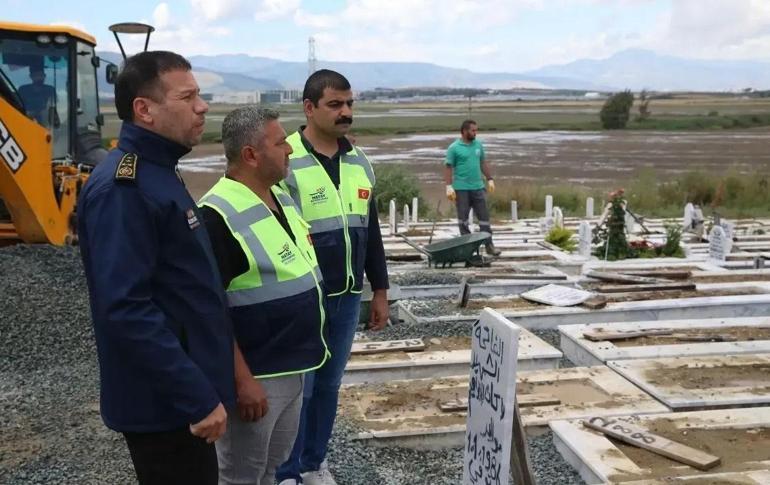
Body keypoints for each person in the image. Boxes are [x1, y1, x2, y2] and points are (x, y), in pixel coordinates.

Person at [77, 51, 234, 485]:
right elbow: (126, 309)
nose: (202, 107)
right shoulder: (123, 188)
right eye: (188, 97)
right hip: (166, 405)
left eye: (200, 95)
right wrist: (196, 397)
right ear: (144, 110)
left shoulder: (159, 170)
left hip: (181, 396)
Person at [199, 106, 329, 485]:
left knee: (271, 468)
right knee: (242, 474)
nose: (290, 149)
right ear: (251, 155)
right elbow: (209, 313)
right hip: (258, 376)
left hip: (292, 367)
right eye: (280, 142)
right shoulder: (216, 216)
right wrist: (242, 381)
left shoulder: (280, 198)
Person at [276, 69, 389, 485]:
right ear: (309, 107)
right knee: (297, 392)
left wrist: (380, 288)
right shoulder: (284, 156)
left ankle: (313, 462)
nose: (346, 113)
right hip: (301, 299)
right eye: (335, 104)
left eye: (350, 104)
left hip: (345, 299)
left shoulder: (359, 161)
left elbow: (369, 229)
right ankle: (286, 472)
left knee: (327, 386)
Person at [444, 119, 501, 256]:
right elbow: (448, 167)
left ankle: (489, 246)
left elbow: (483, 163)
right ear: (464, 131)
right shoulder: (454, 148)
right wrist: (449, 186)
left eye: (476, 130)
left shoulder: (478, 145)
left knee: (484, 218)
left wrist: (490, 179)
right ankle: (468, 249)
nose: (475, 133)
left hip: (478, 188)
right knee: (463, 220)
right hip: (461, 189)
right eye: (473, 130)